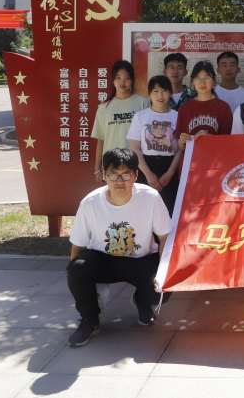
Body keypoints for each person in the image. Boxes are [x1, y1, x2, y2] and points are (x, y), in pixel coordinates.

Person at [66, 148, 172, 347]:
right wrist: (76, 279)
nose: (120, 181)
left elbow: (164, 237)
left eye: (126, 174)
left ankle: (142, 301)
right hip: (103, 259)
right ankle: (90, 319)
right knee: (77, 268)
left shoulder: (150, 197)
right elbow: (78, 244)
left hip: (141, 259)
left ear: (136, 175)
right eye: (113, 174)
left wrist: (164, 272)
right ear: (104, 175)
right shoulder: (90, 203)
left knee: (163, 288)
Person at [127, 75, 181, 216]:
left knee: (168, 211)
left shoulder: (177, 116)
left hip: (170, 166)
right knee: (144, 211)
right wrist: (148, 174)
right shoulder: (140, 116)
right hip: (145, 165)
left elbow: (181, 149)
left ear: (170, 93)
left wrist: (170, 173)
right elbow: (135, 148)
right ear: (148, 93)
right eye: (156, 91)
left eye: (164, 91)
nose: (160, 95)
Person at [90, 60, 150, 183]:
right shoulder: (104, 107)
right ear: (113, 80)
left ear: (132, 80)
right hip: (112, 166)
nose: (122, 82)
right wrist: (97, 169)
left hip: (137, 166)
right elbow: (101, 140)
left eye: (126, 78)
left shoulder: (143, 103)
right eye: (118, 78)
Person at [176, 61, 233, 148]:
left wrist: (209, 138)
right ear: (192, 80)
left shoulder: (223, 107)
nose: (202, 83)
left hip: (214, 156)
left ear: (214, 79)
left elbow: (227, 142)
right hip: (191, 156)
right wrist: (182, 141)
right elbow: (181, 148)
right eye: (198, 78)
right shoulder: (184, 109)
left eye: (207, 78)